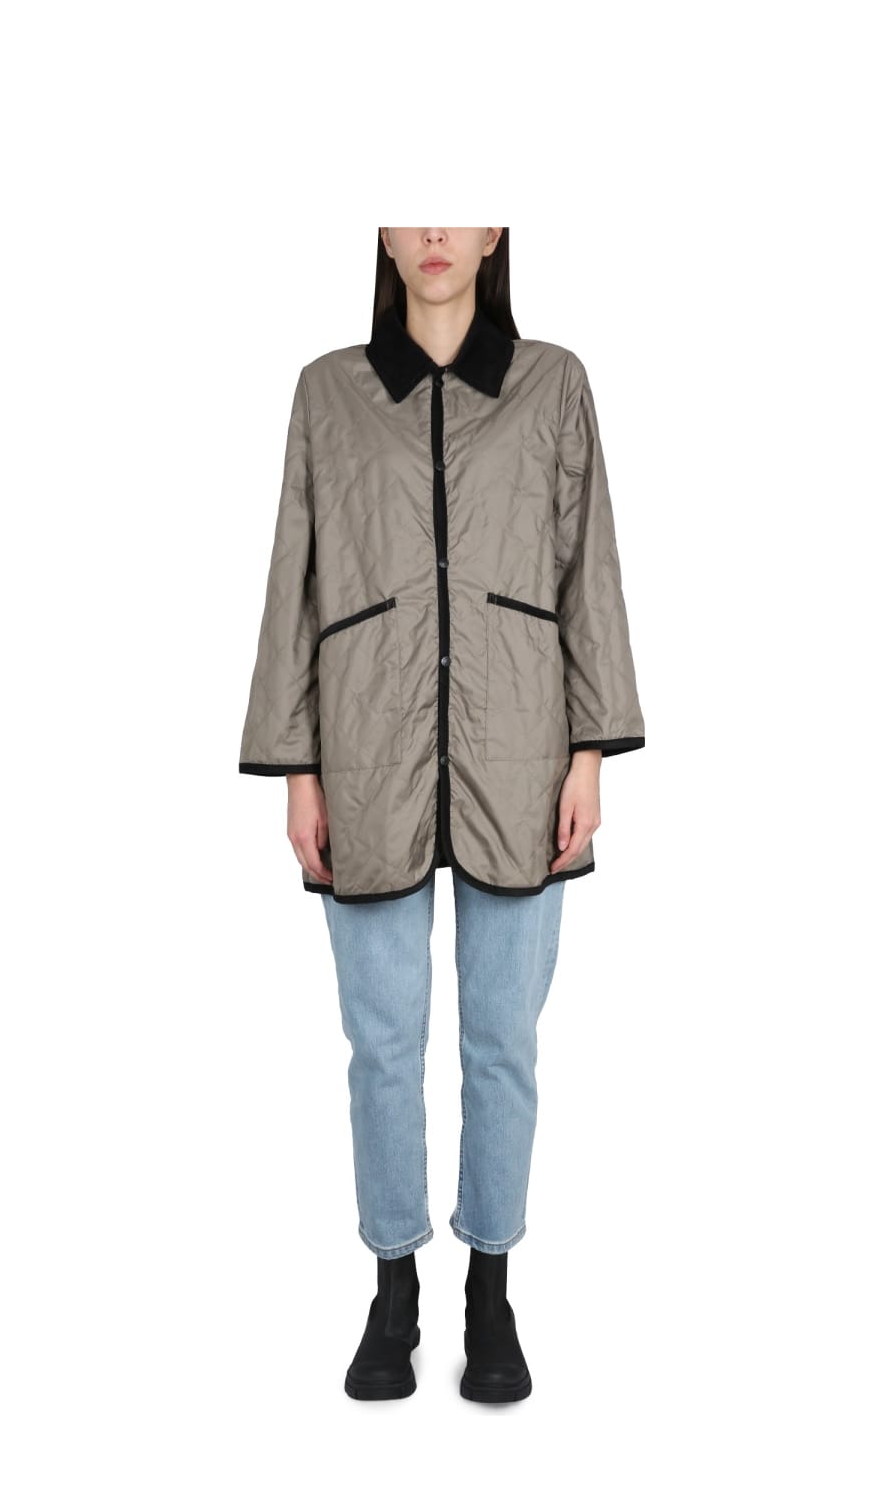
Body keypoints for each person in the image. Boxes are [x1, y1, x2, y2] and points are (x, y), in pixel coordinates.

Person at [238, 227, 645, 1403]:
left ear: (495, 232)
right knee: (381, 1047)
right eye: (411, 204)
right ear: (378, 229)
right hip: (363, 744)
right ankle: (392, 1286)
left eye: (458, 206)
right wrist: (298, 768)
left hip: (522, 746)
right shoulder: (328, 393)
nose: (433, 233)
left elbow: (588, 568)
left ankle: (490, 1288)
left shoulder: (553, 384)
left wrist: (589, 752)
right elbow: (293, 581)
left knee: (501, 1045)